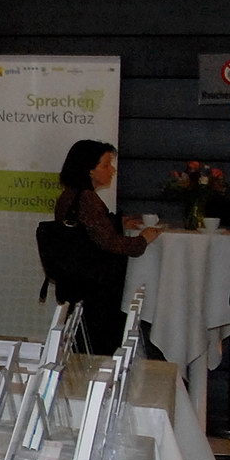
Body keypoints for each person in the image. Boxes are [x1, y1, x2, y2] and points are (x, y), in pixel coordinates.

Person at [45, 140, 158, 355]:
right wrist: (143, 239)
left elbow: (88, 228)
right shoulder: (87, 198)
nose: (112, 170)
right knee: (99, 347)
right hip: (96, 291)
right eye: (105, 165)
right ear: (89, 169)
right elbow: (109, 242)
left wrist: (117, 223)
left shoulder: (70, 194)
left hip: (80, 285)